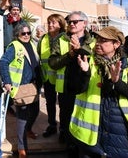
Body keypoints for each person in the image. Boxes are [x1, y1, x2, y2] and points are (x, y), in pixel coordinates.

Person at [69, 26, 128, 158]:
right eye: (97, 39)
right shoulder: (87, 61)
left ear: (116, 44)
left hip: (119, 132)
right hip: (90, 135)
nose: (98, 43)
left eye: (103, 40)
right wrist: (84, 73)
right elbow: (76, 89)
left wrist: (117, 82)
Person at [48, 11, 95, 157]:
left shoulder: (94, 41)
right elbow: (53, 63)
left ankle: (83, 146)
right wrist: (70, 55)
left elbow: (96, 59)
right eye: (70, 22)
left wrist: (79, 49)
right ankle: (70, 146)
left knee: (84, 118)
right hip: (66, 88)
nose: (71, 24)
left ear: (84, 24)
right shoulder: (61, 40)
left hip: (86, 88)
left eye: (75, 22)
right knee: (66, 117)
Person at [0, 23, 41, 158]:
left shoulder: (32, 45)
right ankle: (22, 148)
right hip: (21, 87)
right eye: (23, 33)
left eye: (28, 33)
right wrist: (7, 81)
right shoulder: (14, 46)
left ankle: (28, 130)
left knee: (35, 111)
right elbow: (3, 62)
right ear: (17, 34)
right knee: (22, 118)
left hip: (33, 86)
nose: (27, 35)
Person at [0, 0, 26, 117]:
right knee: (3, 78)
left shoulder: (22, 22)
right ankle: (2, 104)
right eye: (13, 9)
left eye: (17, 9)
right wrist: (3, 8)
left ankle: (11, 103)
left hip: (17, 53)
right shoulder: (4, 19)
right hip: (5, 51)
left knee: (14, 78)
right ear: (10, 10)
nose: (15, 11)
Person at [37, 14, 66, 139]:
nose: (50, 25)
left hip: (63, 79)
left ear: (60, 24)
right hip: (48, 78)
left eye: (53, 23)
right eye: (49, 22)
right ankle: (52, 126)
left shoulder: (66, 38)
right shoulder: (43, 39)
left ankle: (64, 130)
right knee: (50, 103)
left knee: (64, 105)